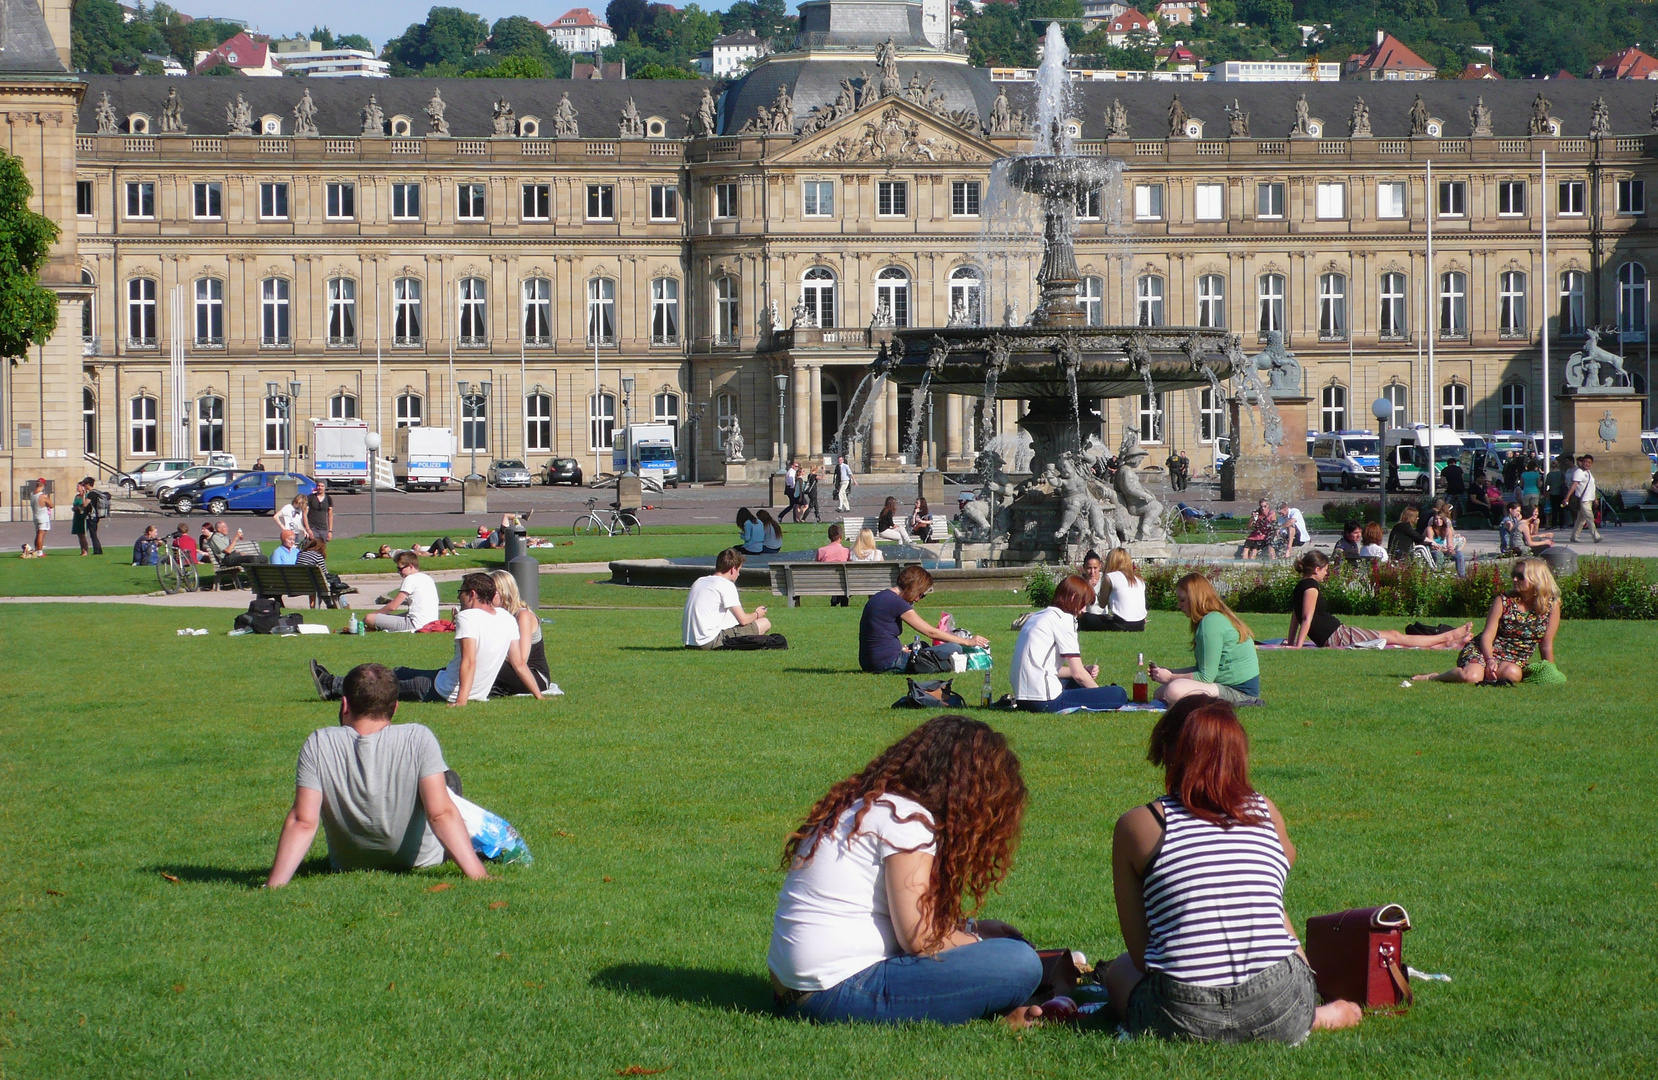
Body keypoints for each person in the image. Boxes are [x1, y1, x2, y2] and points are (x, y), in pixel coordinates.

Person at [1104, 697, 1363, 1042]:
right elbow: (1285, 862)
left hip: (1181, 1014)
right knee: (1273, 907)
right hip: (1280, 1000)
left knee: (1118, 969)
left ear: (1168, 751)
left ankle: (1301, 1015)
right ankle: (1310, 1015)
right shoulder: (1264, 810)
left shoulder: (1139, 824)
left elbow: (1140, 956)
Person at [767, 715, 1044, 1027]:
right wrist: (982, 945)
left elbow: (890, 913)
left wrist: (969, 927)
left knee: (1003, 956)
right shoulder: (907, 820)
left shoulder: (865, 805)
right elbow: (920, 939)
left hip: (793, 990)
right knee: (1020, 962)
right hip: (834, 993)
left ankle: (994, 1002)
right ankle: (1003, 1001)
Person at [266, 662, 489, 888]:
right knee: (448, 780)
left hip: (348, 863)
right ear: (395, 707)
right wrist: (480, 876)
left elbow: (303, 821)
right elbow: (440, 814)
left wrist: (273, 884)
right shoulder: (418, 738)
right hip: (419, 860)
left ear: (345, 704)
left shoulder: (319, 743)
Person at [311, 573, 527, 705]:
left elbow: (469, 661)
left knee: (384, 685)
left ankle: (332, 685)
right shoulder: (506, 618)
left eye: (460, 592)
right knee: (398, 672)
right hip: (452, 681)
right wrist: (540, 695)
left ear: (471, 594)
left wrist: (461, 701)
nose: (458, 596)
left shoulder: (468, 617)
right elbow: (518, 663)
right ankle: (337, 683)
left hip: (442, 690)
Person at [1411, 558, 1560, 685]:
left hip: (1514, 659)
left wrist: (1550, 671)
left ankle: (1488, 675)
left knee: (1512, 674)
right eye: (1513, 575)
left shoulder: (1551, 606)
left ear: (1536, 578)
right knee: (1471, 677)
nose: (1514, 579)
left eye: (1520, 576)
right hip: (1484, 650)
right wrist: (1490, 660)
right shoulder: (1503, 601)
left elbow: (1546, 643)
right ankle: (1435, 677)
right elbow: (1487, 636)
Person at [1286, 551, 1472, 649]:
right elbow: (1306, 618)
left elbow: (1296, 616)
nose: (1327, 573)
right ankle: (1447, 636)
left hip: (1337, 632)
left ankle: (1446, 642)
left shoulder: (1300, 586)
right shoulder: (1311, 587)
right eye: (1326, 569)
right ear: (1317, 569)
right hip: (1337, 636)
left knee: (1393, 636)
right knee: (1394, 636)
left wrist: (1291, 641)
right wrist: (1298, 645)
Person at [1011, 575, 1127, 711]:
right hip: (1044, 700)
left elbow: (1045, 667)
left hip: (1023, 698)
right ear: (1073, 598)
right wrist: (1098, 692)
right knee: (1118, 693)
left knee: (1075, 683)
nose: (1084, 610)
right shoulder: (1064, 619)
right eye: (1083, 603)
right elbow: (1078, 673)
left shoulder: (1037, 616)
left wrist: (1084, 669)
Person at [1148, 573, 1260, 705]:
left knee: (1173, 690)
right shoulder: (1213, 618)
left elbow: (1205, 677)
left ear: (1195, 598)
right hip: (1225, 686)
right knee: (1160, 693)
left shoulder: (1210, 623)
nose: (1179, 606)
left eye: (1182, 600)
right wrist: (1169, 672)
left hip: (1240, 692)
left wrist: (1171, 677)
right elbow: (1203, 669)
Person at [859, 565, 988, 674]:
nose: (917, 599)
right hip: (887, 662)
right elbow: (931, 632)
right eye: (920, 594)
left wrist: (899, 648)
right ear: (914, 587)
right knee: (954, 648)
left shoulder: (881, 596)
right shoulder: (896, 602)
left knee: (923, 646)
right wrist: (967, 642)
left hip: (869, 661)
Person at [684, 548, 772, 648]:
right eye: (738, 570)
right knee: (764, 623)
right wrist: (757, 614)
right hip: (708, 641)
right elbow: (743, 620)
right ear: (733, 569)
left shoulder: (700, 581)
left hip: (690, 642)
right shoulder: (726, 585)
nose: (738, 574)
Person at [487, 570, 550, 698]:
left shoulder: (523, 616)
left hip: (534, 676)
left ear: (504, 592)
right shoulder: (498, 615)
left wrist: (492, 652)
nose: (485, 598)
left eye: (489, 593)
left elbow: (521, 659)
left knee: (484, 660)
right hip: (514, 670)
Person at [366, 551, 441, 632]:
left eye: (400, 569)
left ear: (410, 567)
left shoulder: (410, 579)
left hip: (415, 624)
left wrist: (375, 614)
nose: (398, 572)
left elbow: (393, 606)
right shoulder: (427, 578)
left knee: (369, 618)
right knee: (389, 618)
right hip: (431, 623)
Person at [1079, 549, 1147, 632]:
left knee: (1085, 618)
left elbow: (1102, 604)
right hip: (1140, 624)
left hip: (1121, 624)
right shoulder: (1139, 578)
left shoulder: (1110, 577)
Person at [1424, 501, 1467, 575]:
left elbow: (1450, 545)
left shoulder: (1447, 530)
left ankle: (1461, 575)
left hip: (1444, 550)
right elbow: (1432, 546)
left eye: (1440, 519)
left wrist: (1450, 549)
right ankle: (1438, 573)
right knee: (1438, 554)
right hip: (1433, 551)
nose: (1438, 521)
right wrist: (1445, 550)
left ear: (1444, 520)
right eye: (1436, 519)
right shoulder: (1430, 529)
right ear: (1433, 520)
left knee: (1459, 553)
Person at [1568, 454, 1602, 543]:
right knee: (1590, 518)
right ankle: (1596, 536)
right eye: (1585, 462)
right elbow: (1574, 485)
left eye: (1589, 462)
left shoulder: (1588, 472)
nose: (1587, 464)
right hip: (1584, 500)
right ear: (1582, 462)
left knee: (1581, 520)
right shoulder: (1579, 472)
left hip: (1589, 499)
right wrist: (1567, 498)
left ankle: (1574, 536)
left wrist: (1595, 498)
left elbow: (1592, 487)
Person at [817, 523, 852, 606]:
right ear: (841, 536)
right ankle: (841, 598)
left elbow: (817, 567)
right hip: (842, 581)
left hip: (826, 581)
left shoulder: (821, 551)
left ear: (829, 536)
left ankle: (836, 597)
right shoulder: (846, 551)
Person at [71, 481, 98, 556]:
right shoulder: (77, 496)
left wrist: (83, 495)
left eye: (78, 486)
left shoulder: (87, 496)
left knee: (83, 534)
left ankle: (85, 550)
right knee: (79, 534)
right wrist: (74, 508)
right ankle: (82, 549)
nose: (77, 488)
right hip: (77, 516)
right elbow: (75, 504)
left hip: (83, 516)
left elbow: (84, 505)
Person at [27, 479, 52, 557]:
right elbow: (51, 505)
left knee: (38, 534)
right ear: (43, 485)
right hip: (43, 516)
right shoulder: (43, 496)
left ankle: (36, 549)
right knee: (41, 534)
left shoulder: (32, 494)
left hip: (36, 516)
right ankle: (40, 551)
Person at [1546, 457, 1570, 528]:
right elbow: (1565, 482)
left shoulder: (1549, 474)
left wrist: (1545, 491)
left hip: (1553, 493)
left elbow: (1547, 484)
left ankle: (1554, 524)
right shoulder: (1561, 473)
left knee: (1554, 509)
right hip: (1561, 492)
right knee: (1561, 509)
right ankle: (1561, 524)